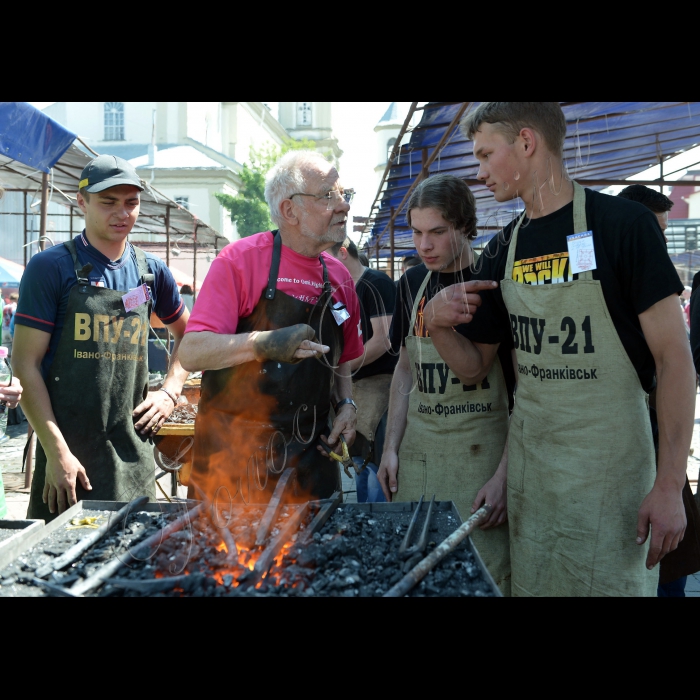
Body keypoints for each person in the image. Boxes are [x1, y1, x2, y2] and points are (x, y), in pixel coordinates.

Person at [427, 102, 692, 597]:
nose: (479, 174)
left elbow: (675, 360)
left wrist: (670, 483)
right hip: (535, 480)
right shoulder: (504, 247)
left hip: (611, 479)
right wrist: (436, 326)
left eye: (485, 155)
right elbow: (473, 367)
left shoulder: (623, 226)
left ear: (526, 142)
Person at [179, 151, 363, 503]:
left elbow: (342, 359)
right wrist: (264, 343)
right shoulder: (239, 262)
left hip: (310, 463)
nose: (343, 206)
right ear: (289, 210)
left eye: (344, 194)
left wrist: (348, 404)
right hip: (231, 465)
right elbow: (192, 351)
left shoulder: (340, 276)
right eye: (328, 195)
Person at [14, 155, 190, 520]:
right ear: (82, 202)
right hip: (69, 457)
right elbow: (25, 365)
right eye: (108, 202)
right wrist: (56, 450)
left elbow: (191, 336)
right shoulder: (50, 268)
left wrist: (170, 391)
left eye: (131, 203)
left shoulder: (151, 273)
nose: (121, 213)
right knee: (61, 564)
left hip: (133, 451)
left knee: (133, 562)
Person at [377, 174, 514, 595]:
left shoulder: (491, 282)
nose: (424, 245)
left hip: (480, 461)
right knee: (417, 571)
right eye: (417, 233)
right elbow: (405, 368)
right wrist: (391, 447)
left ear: (464, 226)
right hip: (419, 460)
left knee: (481, 577)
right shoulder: (410, 284)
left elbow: (492, 378)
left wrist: (505, 476)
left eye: (437, 232)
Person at [618, 184, 700, 596]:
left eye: (663, 234)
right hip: (621, 451)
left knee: (670, 569)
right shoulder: (610, 282)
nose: (660, 244)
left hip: (658, 446)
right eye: (655, 232)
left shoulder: (651, 284)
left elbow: (680, 363)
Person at [329, 237, 397, 502]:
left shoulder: (376, 283)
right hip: (355, 390)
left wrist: (341, 367)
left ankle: (380, 524)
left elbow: (383, 340)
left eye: (327, 256)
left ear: (343, 253)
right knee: (358, 464)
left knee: (375, 465)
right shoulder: (340, 290)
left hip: (380, 386)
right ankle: (365, 520)